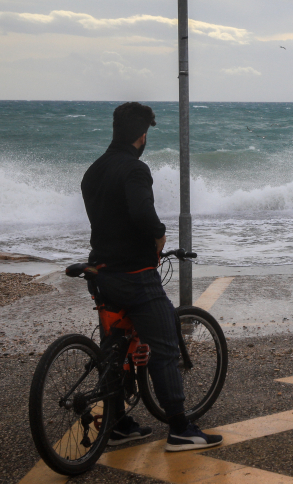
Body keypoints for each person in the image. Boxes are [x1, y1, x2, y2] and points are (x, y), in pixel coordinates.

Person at [81, 101, 222, 451]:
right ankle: (179, 428)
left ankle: (117, 423)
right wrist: (159, 235)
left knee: (114, 348)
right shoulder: (135, 169)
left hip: (101, 271)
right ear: (142, 136)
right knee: (163, 347)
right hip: (135, 275)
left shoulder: (93, 171)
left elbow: (108, 219)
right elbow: (142, 213)